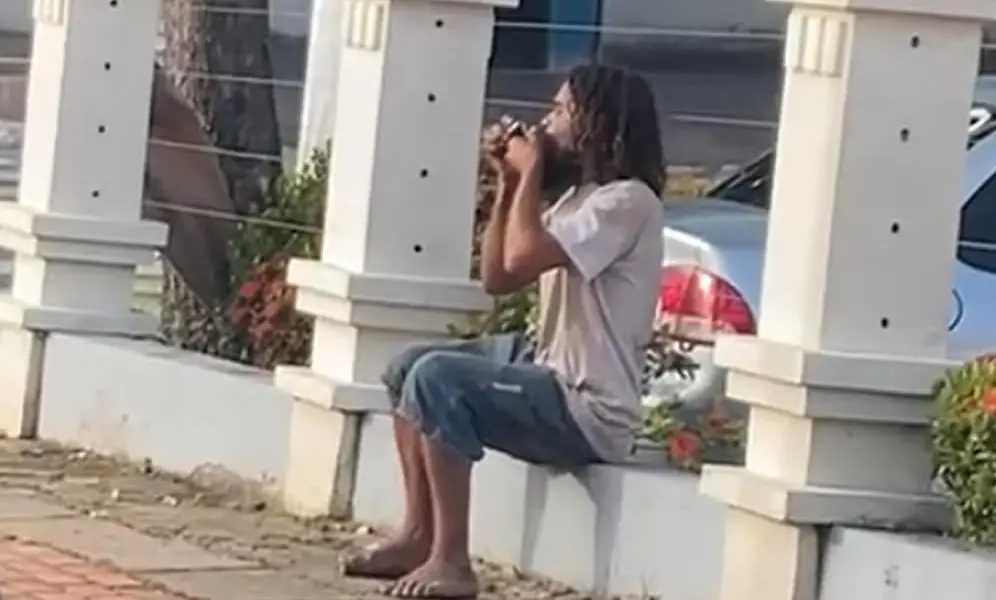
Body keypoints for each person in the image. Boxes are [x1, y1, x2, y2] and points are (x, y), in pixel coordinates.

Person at [342, 63, 666, 599]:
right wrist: (510, 182)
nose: (546, 122)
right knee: (406, 369)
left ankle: (452, 562)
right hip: (546, 366)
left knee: (438, 378)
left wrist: (531, 169)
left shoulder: (628, 202)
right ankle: (419, 535)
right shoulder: (577, 201)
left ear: (598, 124)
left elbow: (522, 255)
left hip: (586, 405)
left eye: (560, 110)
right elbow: (499, 277)